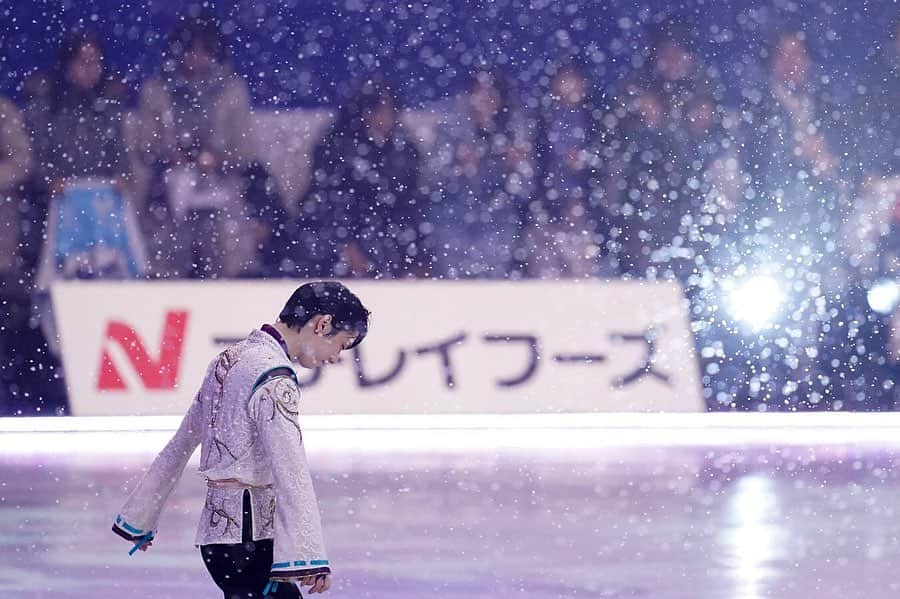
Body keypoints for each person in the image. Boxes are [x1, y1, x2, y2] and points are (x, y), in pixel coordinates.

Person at [112, 281, 370, 597]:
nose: (335, 358)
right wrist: (308, 555)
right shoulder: (275, 377)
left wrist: (139, 517)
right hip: (252, 540)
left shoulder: (228, 359)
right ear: (322, 324)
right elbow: (291, 470)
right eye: (342, 345)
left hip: (217, 541)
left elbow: (181, 442)